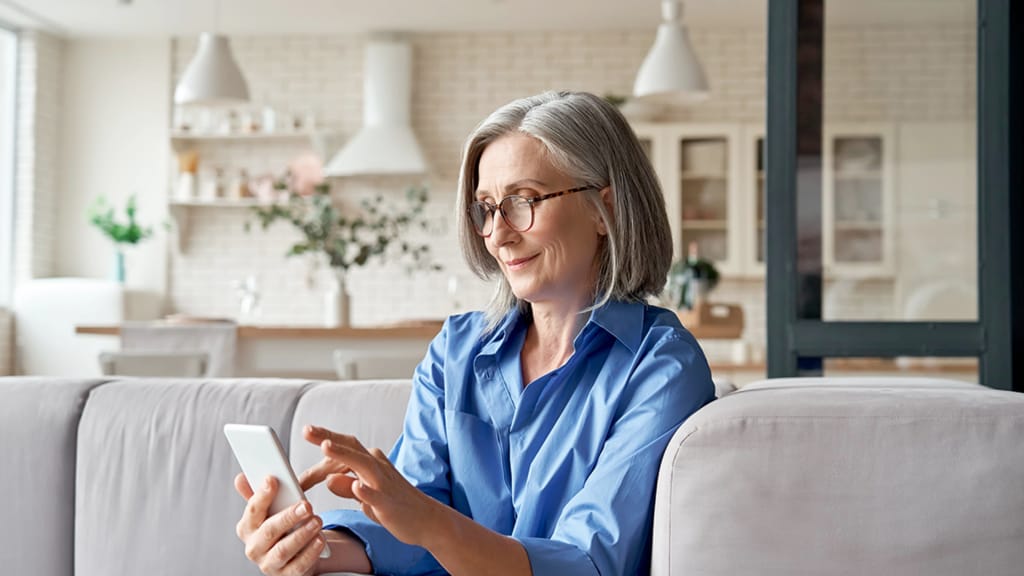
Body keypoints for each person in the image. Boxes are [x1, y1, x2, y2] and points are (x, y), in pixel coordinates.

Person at [233, 90, 715, 576]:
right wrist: (313, 547)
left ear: (601, 208)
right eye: (486, 208)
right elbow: (412, 530)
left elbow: (586, 563)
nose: (499, 234)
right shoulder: (456, 351)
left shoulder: (661, 367)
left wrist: (428, 523)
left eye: (524, 201)